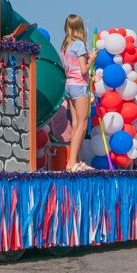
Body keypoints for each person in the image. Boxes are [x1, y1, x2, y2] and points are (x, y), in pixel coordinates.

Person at [60, 14, 92, 171]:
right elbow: (84, 70)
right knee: (81, 124)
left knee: (76, 124)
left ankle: (77, 160)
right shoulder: (79, 44)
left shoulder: (65, 46)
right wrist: (91, 59)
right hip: (79, 85)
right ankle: (72, 162)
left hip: (69, 85)